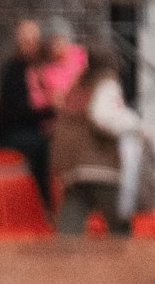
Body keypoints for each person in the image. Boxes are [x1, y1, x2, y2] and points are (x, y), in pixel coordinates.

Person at [50, 43, 142, 236]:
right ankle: (125, 266)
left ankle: (63, 265)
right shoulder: (106, 83)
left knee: (68, 233)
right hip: (102, 167)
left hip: (73, 169)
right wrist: (134, 127)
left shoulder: (77, 85)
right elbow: (101, 116)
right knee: (121, 231)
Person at [0, 19, 53, 203]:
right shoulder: (15, 70)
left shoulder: (44, 68)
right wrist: (50, 111)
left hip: (35, 128)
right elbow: (16, 111)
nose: (31, 45)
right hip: (13, 133)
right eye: (26, 40)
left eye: (34, 40)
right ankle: (43, 203)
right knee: (44, 147)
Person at [29, 18, 88, 125]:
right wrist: (49, 100)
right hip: (53, 119)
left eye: (60, 40)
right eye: (52, 42)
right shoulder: (39, 68)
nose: (57, 46)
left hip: (82, 113)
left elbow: (89, 83)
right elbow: (36, 99)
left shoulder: (80, 57)